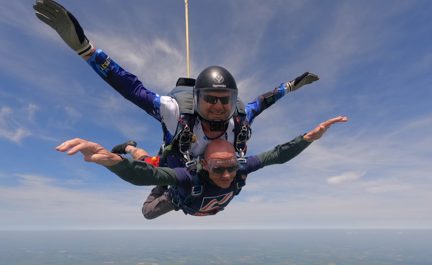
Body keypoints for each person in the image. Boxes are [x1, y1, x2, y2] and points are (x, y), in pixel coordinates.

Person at [33, 0, 320, 165]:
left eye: (226, 99)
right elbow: (131, 88)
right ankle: (130, 146)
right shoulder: (175, 111)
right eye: (211, 98)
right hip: (174, 165)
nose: (219, 106)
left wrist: (293, 85)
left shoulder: (240, 118)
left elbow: (266, 100)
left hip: (210, 171)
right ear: (196, 99)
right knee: (147, 168)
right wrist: (87, 51)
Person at [56, 116, 348, 218]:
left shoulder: (240, 168)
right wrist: (114, 162)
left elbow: (277, 155)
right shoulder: (187, 176)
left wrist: (309, 137)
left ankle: (137, 150)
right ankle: (130, 147)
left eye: (231, 167)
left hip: (184, 190)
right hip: (175, 190)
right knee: (149, 198)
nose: (226, 175)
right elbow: (142, 176)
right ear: (203, 165)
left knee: (153, 163)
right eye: (218, 169)